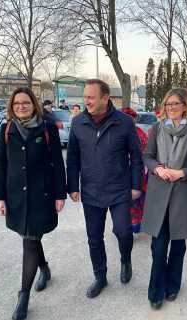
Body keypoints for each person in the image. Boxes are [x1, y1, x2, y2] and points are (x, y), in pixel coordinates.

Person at [0, 87, 66, 320]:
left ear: (34, 104)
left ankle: (23, 296)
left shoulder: (48, 129)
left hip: (41, 196)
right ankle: (43, 268)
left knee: (30, 241)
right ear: (12, 108)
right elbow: (0, 165)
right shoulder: (7, 129)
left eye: (25, 103)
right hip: (17, 197)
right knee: (30, 238)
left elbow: (57, 162)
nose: (21, 107)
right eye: (16, 104)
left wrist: (60, 194)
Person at [66, 79, 143, 299]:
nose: (86, 101)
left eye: (91, 97)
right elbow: (72, 158)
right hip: (91, 190)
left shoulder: (125, 122)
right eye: (85, 97)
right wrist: (73, 186)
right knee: (94, 237)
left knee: (123, 231)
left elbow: (136, 157)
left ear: (105, 98)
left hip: (119, 189)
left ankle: (125, 260)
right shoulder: (78, 122)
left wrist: (136, 185)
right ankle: (100, 276)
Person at [142, 88, 187, 309]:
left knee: (178, 246)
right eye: (167, 104)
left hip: (183, 195)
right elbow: (147, 156)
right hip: (159, 193)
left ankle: (173, 286)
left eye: (175, 104)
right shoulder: (156, 129)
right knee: (158, 247)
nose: (170, 108)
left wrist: (182, 173)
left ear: (185, 106)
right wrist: (157, 168)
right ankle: (155, 292)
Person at [120, 107, 148, 233]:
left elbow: (146, 151)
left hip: (138, 171)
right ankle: (126, 226)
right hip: (121, 172)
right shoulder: (117, 132)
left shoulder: (140, 132)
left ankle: (134, 225)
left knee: (136, 200)